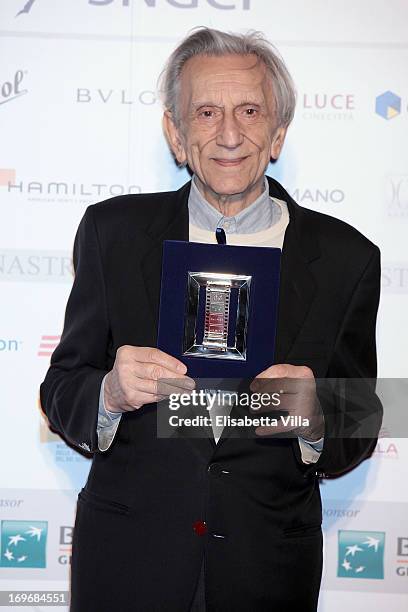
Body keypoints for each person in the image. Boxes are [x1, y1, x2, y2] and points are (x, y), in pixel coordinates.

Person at [40, 28, 382, 612]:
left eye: (250, 111)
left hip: (267, 569)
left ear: (277, 134)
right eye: (205, 112)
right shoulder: (112, 234)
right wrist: (109, 393)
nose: (229, 134)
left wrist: (319, 415)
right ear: (176, 133)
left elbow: (367, 416)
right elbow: (60, 389)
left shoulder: (348, 257)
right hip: (128, 563)